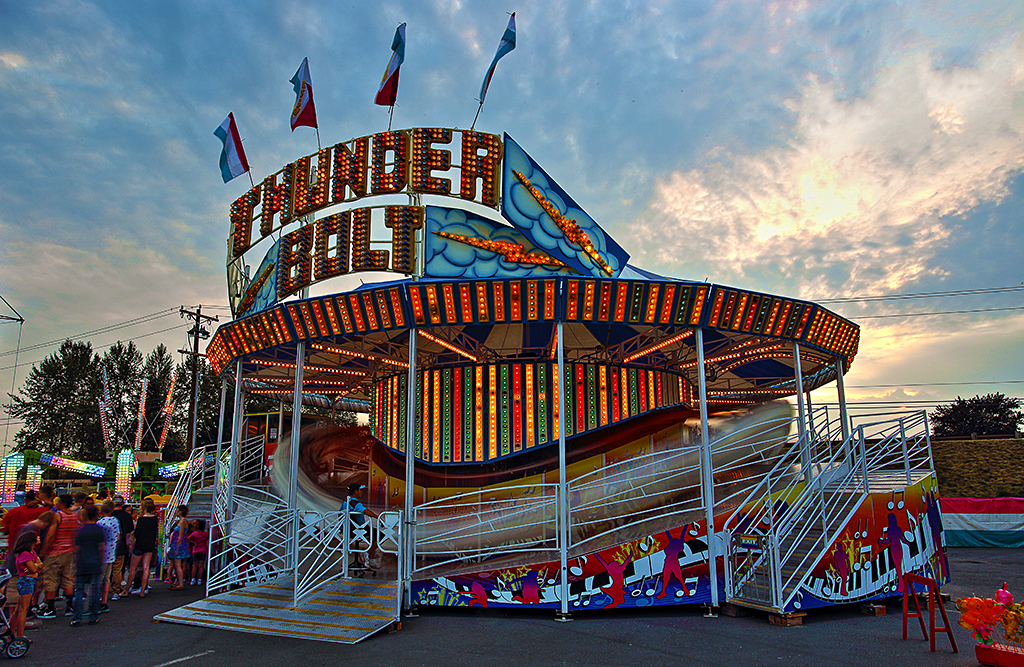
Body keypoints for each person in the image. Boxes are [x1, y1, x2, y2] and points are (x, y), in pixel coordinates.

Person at [38, 494, 79, 618]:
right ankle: (69, 606)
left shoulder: (58, 516)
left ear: (62, 503)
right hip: (69, 551)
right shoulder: (74, 516)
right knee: (68, 578)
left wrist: (44, 550)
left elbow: (50, 535)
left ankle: (50, 608)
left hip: (55, 551)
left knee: (51, 579)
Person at [71, 505, 104, 626]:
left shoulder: (80, 530)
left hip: (82, 562)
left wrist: (76, 562)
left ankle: (77, 617)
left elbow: (76, 549)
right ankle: (93, 615)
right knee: (95, 589)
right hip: (95, 561)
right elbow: (101, 548)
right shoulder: (98, 529)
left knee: (80, 589)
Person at [122, 498, 157, 597]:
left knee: (133, 568)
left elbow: (137, 533)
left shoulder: (141, 519)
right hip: (149, 545)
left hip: (140, 544)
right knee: (146, 568)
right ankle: (143, 590)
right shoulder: (154, 519)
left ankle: (126, 589)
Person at [11, 531, 41, 640]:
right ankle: (19, 636)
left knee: (19, 609)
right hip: (26, 581)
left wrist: (34, 566)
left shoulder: (31, 552)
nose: (38, 537)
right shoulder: (25, 554)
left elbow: (36, 566)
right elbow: (33, 568)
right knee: (23, 610)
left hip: (28, 580)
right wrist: (34, 566)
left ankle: (11, 633)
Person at [341, 484, 378, 569]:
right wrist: (378, 518)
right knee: (380, 537)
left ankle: (367, 555)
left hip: (349, 529)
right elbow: (365, 511)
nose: (362, 492)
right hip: (360, 529)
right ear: (356, 491)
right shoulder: (356, 504)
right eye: (360, 490)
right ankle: (366, 553)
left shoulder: (345, 502)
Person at [95, 501, 119, 612]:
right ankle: (104, 601)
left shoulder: (100, 523)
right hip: (111, 551)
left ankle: (97, 600)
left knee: (99, 578)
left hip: (102, 552)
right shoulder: (115, 521)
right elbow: (118, 536)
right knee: (107, 578)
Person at [109, 496, 134, 600]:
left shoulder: (109, 516)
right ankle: (116, 589)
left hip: (108, 545)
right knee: (118, 569)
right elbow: (130, 533)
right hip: (122, 544)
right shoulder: (127, 516)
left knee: (107, 569)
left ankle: (105, 590)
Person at [166, 505, 190, 590]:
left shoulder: (182, 521)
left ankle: (180, 583)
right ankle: (178, 582)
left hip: (178, 545)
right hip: (177, 544)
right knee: (176, 564)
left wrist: (177, 546)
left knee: (177, 564)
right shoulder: (182, 521)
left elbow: (180, 535)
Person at [188, 519, 209, 586]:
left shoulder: (194, 534)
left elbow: (187, 539)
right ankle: (199, 580)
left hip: (195, 550)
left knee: (195, 565)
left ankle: (193, 579)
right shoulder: (206, 533)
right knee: (201, 566)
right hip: (203, 550)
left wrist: (193, 542)